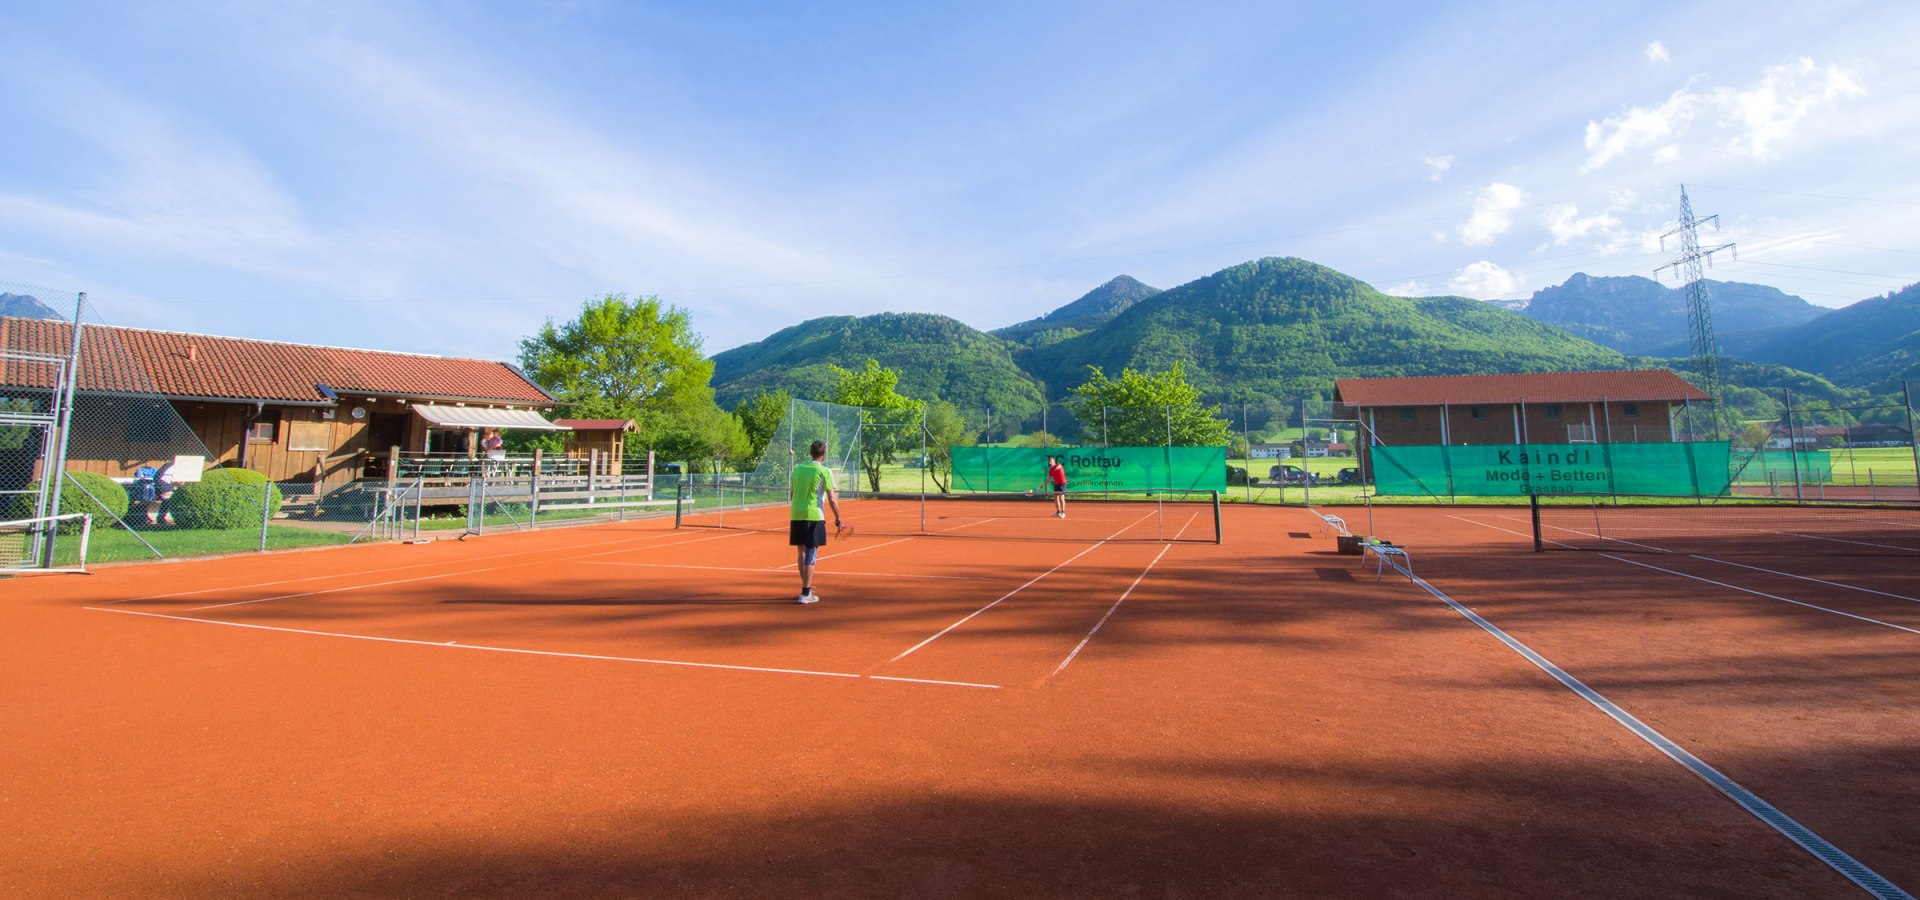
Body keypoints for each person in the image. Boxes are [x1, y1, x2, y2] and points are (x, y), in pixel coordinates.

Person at [789, 439, 843, 604]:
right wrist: (838, 518)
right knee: (811, 553)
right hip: (814, 515)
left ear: (810, 452)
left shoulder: (797, 469)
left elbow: (792, 494)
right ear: (823, 454)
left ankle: (806, 587)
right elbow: (832, 498)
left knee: (801, 552)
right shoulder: (824, 471)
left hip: (796, 514)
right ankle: (806, 593)